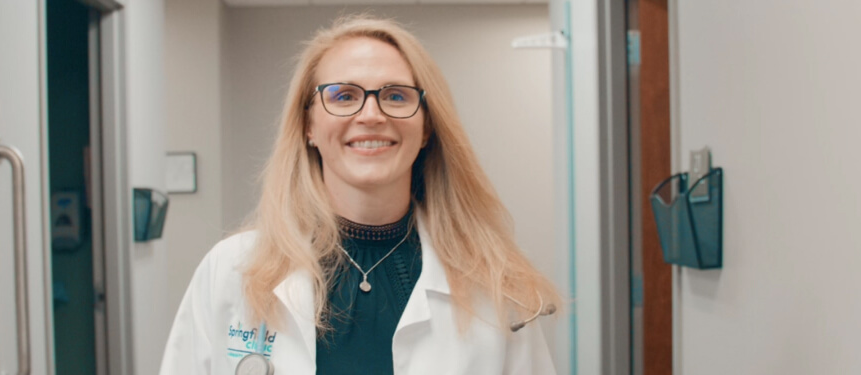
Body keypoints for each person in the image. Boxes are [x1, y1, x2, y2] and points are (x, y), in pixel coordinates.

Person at [159, 14, 561, 375]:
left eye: (396, 96)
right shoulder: (231, 271)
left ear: (425, 128)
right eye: (344, 96)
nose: (371, 115)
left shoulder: (492, 282)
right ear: (309, 127)